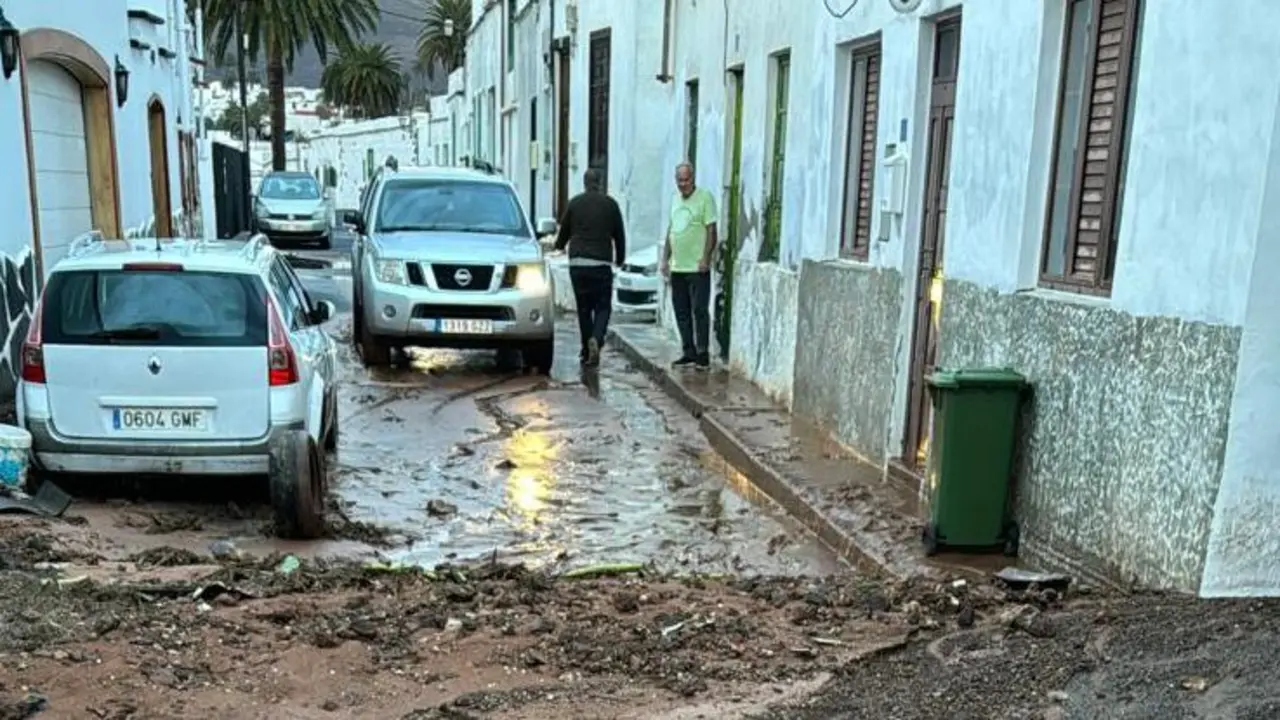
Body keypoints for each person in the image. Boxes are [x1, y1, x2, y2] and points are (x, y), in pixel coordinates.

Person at [554, 167, 626, 367]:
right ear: (600, 183)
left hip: (578, 263)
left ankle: (586, 350)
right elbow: (619, 235)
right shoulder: (611, 205)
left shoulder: (574, 203)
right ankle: (597, 338)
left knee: (584, 309)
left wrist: (558, 246)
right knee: (603, 306)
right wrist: (620, 259)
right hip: (601, 263)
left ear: (584, 183)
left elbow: (564, 231)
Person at [660, 162, 718, 370]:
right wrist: (665, 258)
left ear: (693, 179)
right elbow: (671, 230)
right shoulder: (675, 200)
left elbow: (711, 230)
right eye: (680, 180)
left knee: (699, 309)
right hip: (678, 266)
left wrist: (706, 258)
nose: (683, 184)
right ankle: (688, 351)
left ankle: (702, 353)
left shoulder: (705, 198)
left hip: (697, 267)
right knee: (681, 310)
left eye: (686, 180)